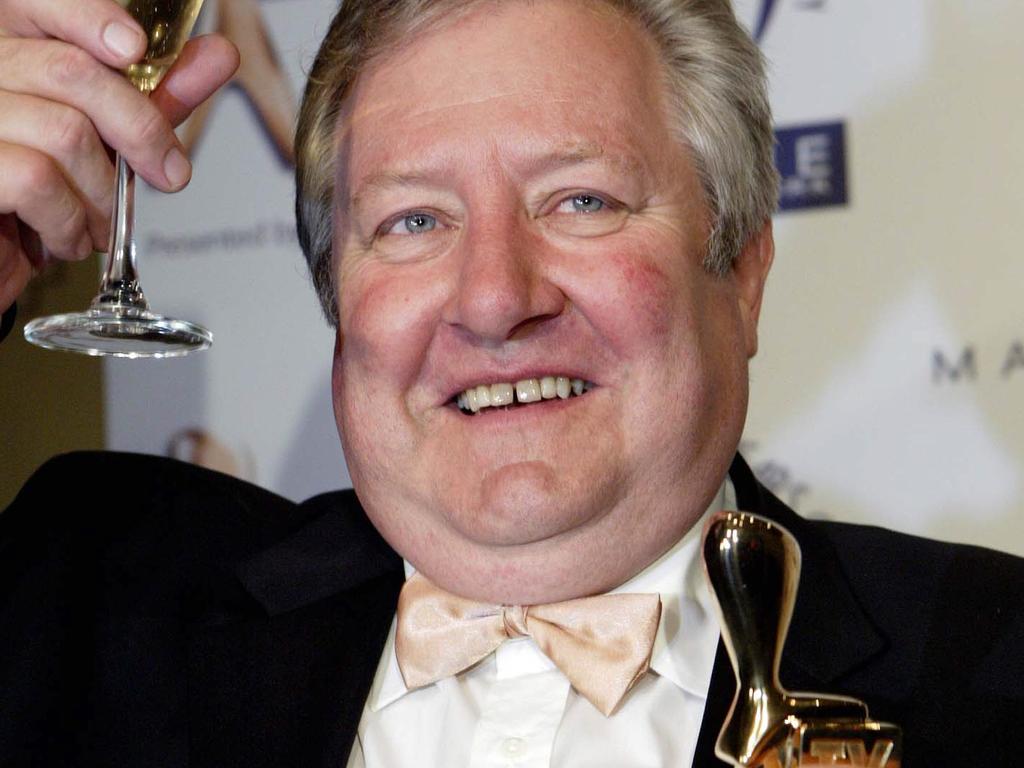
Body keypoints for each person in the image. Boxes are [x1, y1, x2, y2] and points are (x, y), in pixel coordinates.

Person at [1, 0, 1022, 766]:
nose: (493, 298)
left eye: (579, 200)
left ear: (741, 274)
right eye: (413, 221)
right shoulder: (84, 597)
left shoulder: (995, 664)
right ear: (336, 299)